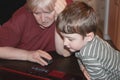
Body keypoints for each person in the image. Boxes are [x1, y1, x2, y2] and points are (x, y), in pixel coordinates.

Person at [56, 1, 120, 80]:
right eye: (63, 37)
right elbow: (79, 55)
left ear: (89, 36)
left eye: (70, 39)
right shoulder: (89, 40)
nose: (65, 43)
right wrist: (83, 68)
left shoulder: (89, 56)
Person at [0, 0, 72, 66]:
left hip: (54, 62)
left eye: (48, 12)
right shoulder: (22, 16)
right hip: (21, 63)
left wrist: (60, 19)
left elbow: (65, 53)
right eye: (37, 13)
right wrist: (28, 55)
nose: (43, 19)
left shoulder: (66, 9)